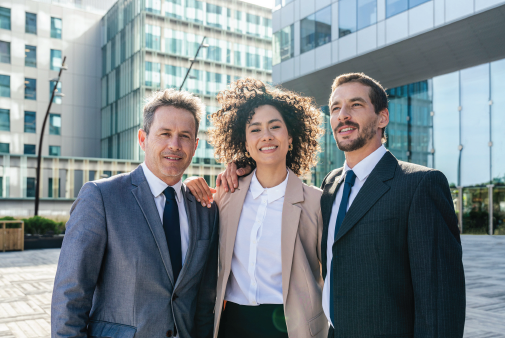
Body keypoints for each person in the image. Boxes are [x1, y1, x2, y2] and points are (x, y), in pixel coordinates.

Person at [212, 73, 466, 338]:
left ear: (383, 117)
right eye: (335, 108)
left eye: (356, 104)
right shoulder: (332, 186)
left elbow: (440, 298)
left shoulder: (419, 184)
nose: (343, 114)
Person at [51, 89, 219, 338]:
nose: (175, 144)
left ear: (195, 146)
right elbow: (71, 295)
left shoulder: (205, 209)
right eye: (165, 133)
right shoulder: (101, 197)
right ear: (143, 138)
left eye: (185, 136)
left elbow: (205, 302)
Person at [185, 78, 328, 338]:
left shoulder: (316, 202)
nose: (266, 136)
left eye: (275, 127)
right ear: (246, 143)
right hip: (232, 325)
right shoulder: (227, 195)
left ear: (291, 137)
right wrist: (189, 184)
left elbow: (332, 278)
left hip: (292, 327)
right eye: (255, 129)